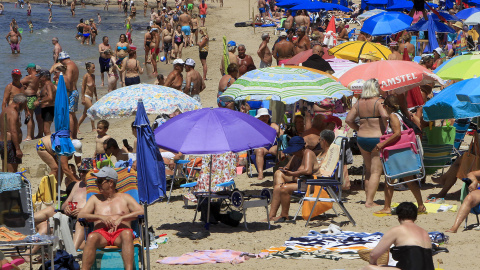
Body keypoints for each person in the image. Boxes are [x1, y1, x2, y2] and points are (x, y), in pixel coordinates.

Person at [78, 167, 144, 270]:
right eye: (96, 181)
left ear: (111, 182)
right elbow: (81, 215)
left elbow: (141, 212)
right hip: (101, 234)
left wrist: (122, 218)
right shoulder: (94, 199)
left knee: (127, 234)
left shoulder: (125, 197)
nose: (97, 184)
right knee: (91, 237)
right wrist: (100, 217)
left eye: (100, 181)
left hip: (121, 234)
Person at [373, 95, 426, 214]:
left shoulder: (393, 116)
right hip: (404, 150)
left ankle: (387, 207)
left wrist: (382, 144)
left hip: (397, 151)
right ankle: (421, 205)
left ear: (386, 106)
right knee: (408, 179)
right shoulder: (400, 114)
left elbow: (397, 133)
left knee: (390, 178)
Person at [345, 79, 388, 208]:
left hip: (362, 138)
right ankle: (369, 201)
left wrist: (359, 129)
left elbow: (348, 120)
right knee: (376, 172)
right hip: (377, 138)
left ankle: (368, 198)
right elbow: (385, 116)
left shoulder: (359, 102)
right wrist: (387, 128)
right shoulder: (379, 102)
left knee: (369, 170)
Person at [360, 202, 434, 270]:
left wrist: (373, 263)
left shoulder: (397, 230)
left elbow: (373, 255)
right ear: (415, 217)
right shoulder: (424, 232)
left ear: (398, 217)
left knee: (368, 268)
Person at [267, 135, 321, 222]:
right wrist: (285, 169)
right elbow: (288, 167)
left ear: (300, 148)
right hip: (301, 181)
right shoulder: (296, 155)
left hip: (311, 183)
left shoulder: (308, 153)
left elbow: (308, 171)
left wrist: (292, 173)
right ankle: (271, 216)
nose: (293, 152)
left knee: (284, 188)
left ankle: (284, 215)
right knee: (277, 187)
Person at [0, 94, 26, 172]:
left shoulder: (5, 110)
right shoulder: (13, 112)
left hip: (3, 142)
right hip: (10, 143)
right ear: (20, 103)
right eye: (25, 105)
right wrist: (17, 149)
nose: (24, 108)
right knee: (12, 173)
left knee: (5, 169)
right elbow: (13, 131)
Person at [253, 108, 282, 180]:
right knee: (260, 151)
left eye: (266, 116)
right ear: (258, 117)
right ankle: (260, 173)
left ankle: (281, 169)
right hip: (260, 146)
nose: (264, 118)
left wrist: (278, 131)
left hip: (272, 145)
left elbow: (281, 134)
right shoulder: (255, 127)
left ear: (269, 117)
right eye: (262, 116)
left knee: (278, 149)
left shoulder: (273, 125)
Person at [58, 51, 80, 140]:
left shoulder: (69, 67)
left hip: (70, 92)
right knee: (73, 115)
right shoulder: (74, 65)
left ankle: (70, 136)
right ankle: (74, 135)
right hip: (75, 91)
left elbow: (68, 80)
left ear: (63, 59)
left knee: (69, 115)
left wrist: (65, 92)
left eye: (61, 61)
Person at [21, 63, 41, 141]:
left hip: (29, 98)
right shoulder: (38, 76)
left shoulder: (29, 77)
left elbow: (18, 82)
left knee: (28, 116)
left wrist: (24, 86)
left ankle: (29, 136)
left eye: (27, 70)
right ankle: (32, 135)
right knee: (32, 116)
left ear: (30, 69)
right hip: (34, 97)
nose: (27, 71)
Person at [78, 62, 98, 133]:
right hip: (86, 96)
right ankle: (93, 128)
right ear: (88, 68)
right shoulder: (86, 76)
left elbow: (94, 87)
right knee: (92, 110)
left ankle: (77, 127)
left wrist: (96, 97)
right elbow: (83, 87)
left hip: (91, 97)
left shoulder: (93, 76)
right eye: (93, 68)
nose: (94, 69)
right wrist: (82, 98)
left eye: (94, 67)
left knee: (84, 114)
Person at [36, 70, 55, 136]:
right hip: (45, 109)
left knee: (46, 130)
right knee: (45, 130)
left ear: (45, 77)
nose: (39, 78)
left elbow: (50, 97)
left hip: (49, 109)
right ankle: (50, 144)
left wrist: (39, 102)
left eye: (40, 77)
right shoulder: (45, 85)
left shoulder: (48, 85)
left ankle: (51, 145)